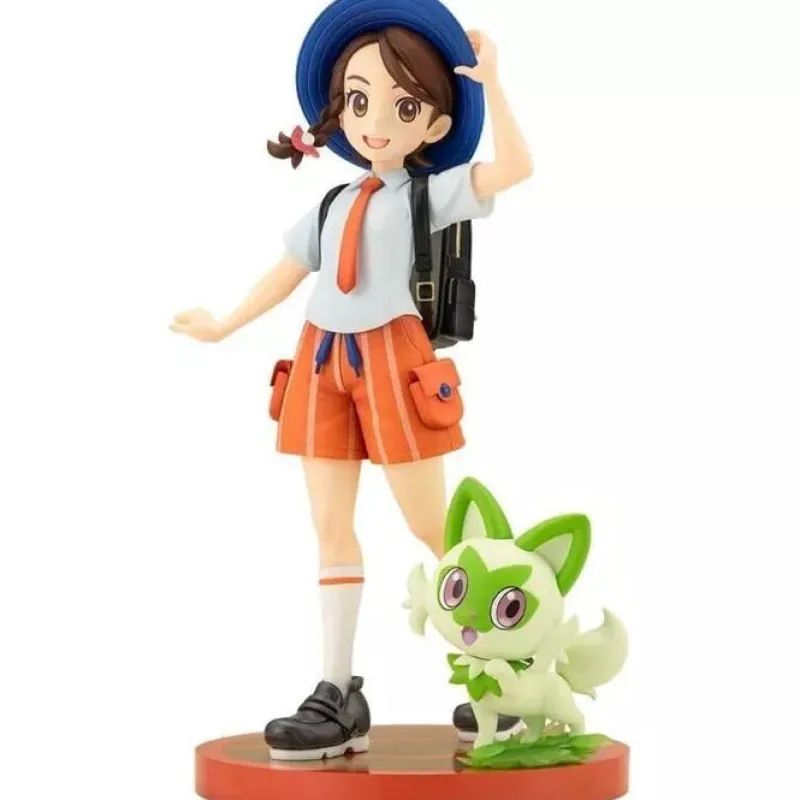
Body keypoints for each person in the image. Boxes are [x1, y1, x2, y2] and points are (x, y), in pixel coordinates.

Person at [171, 0, 532, 761]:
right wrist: (225, 324)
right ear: (339, 110)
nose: (376, 123)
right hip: (318, 358)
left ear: (434, 124)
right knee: (330, 528)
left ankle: (503, 672)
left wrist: (493, 83)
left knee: (434, 527)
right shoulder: (334, 201)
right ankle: (338, 693)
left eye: (404, 106)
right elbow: (288, 271)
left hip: (394, 359)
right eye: (360, 101)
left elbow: (516, 169)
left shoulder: (430, 193)